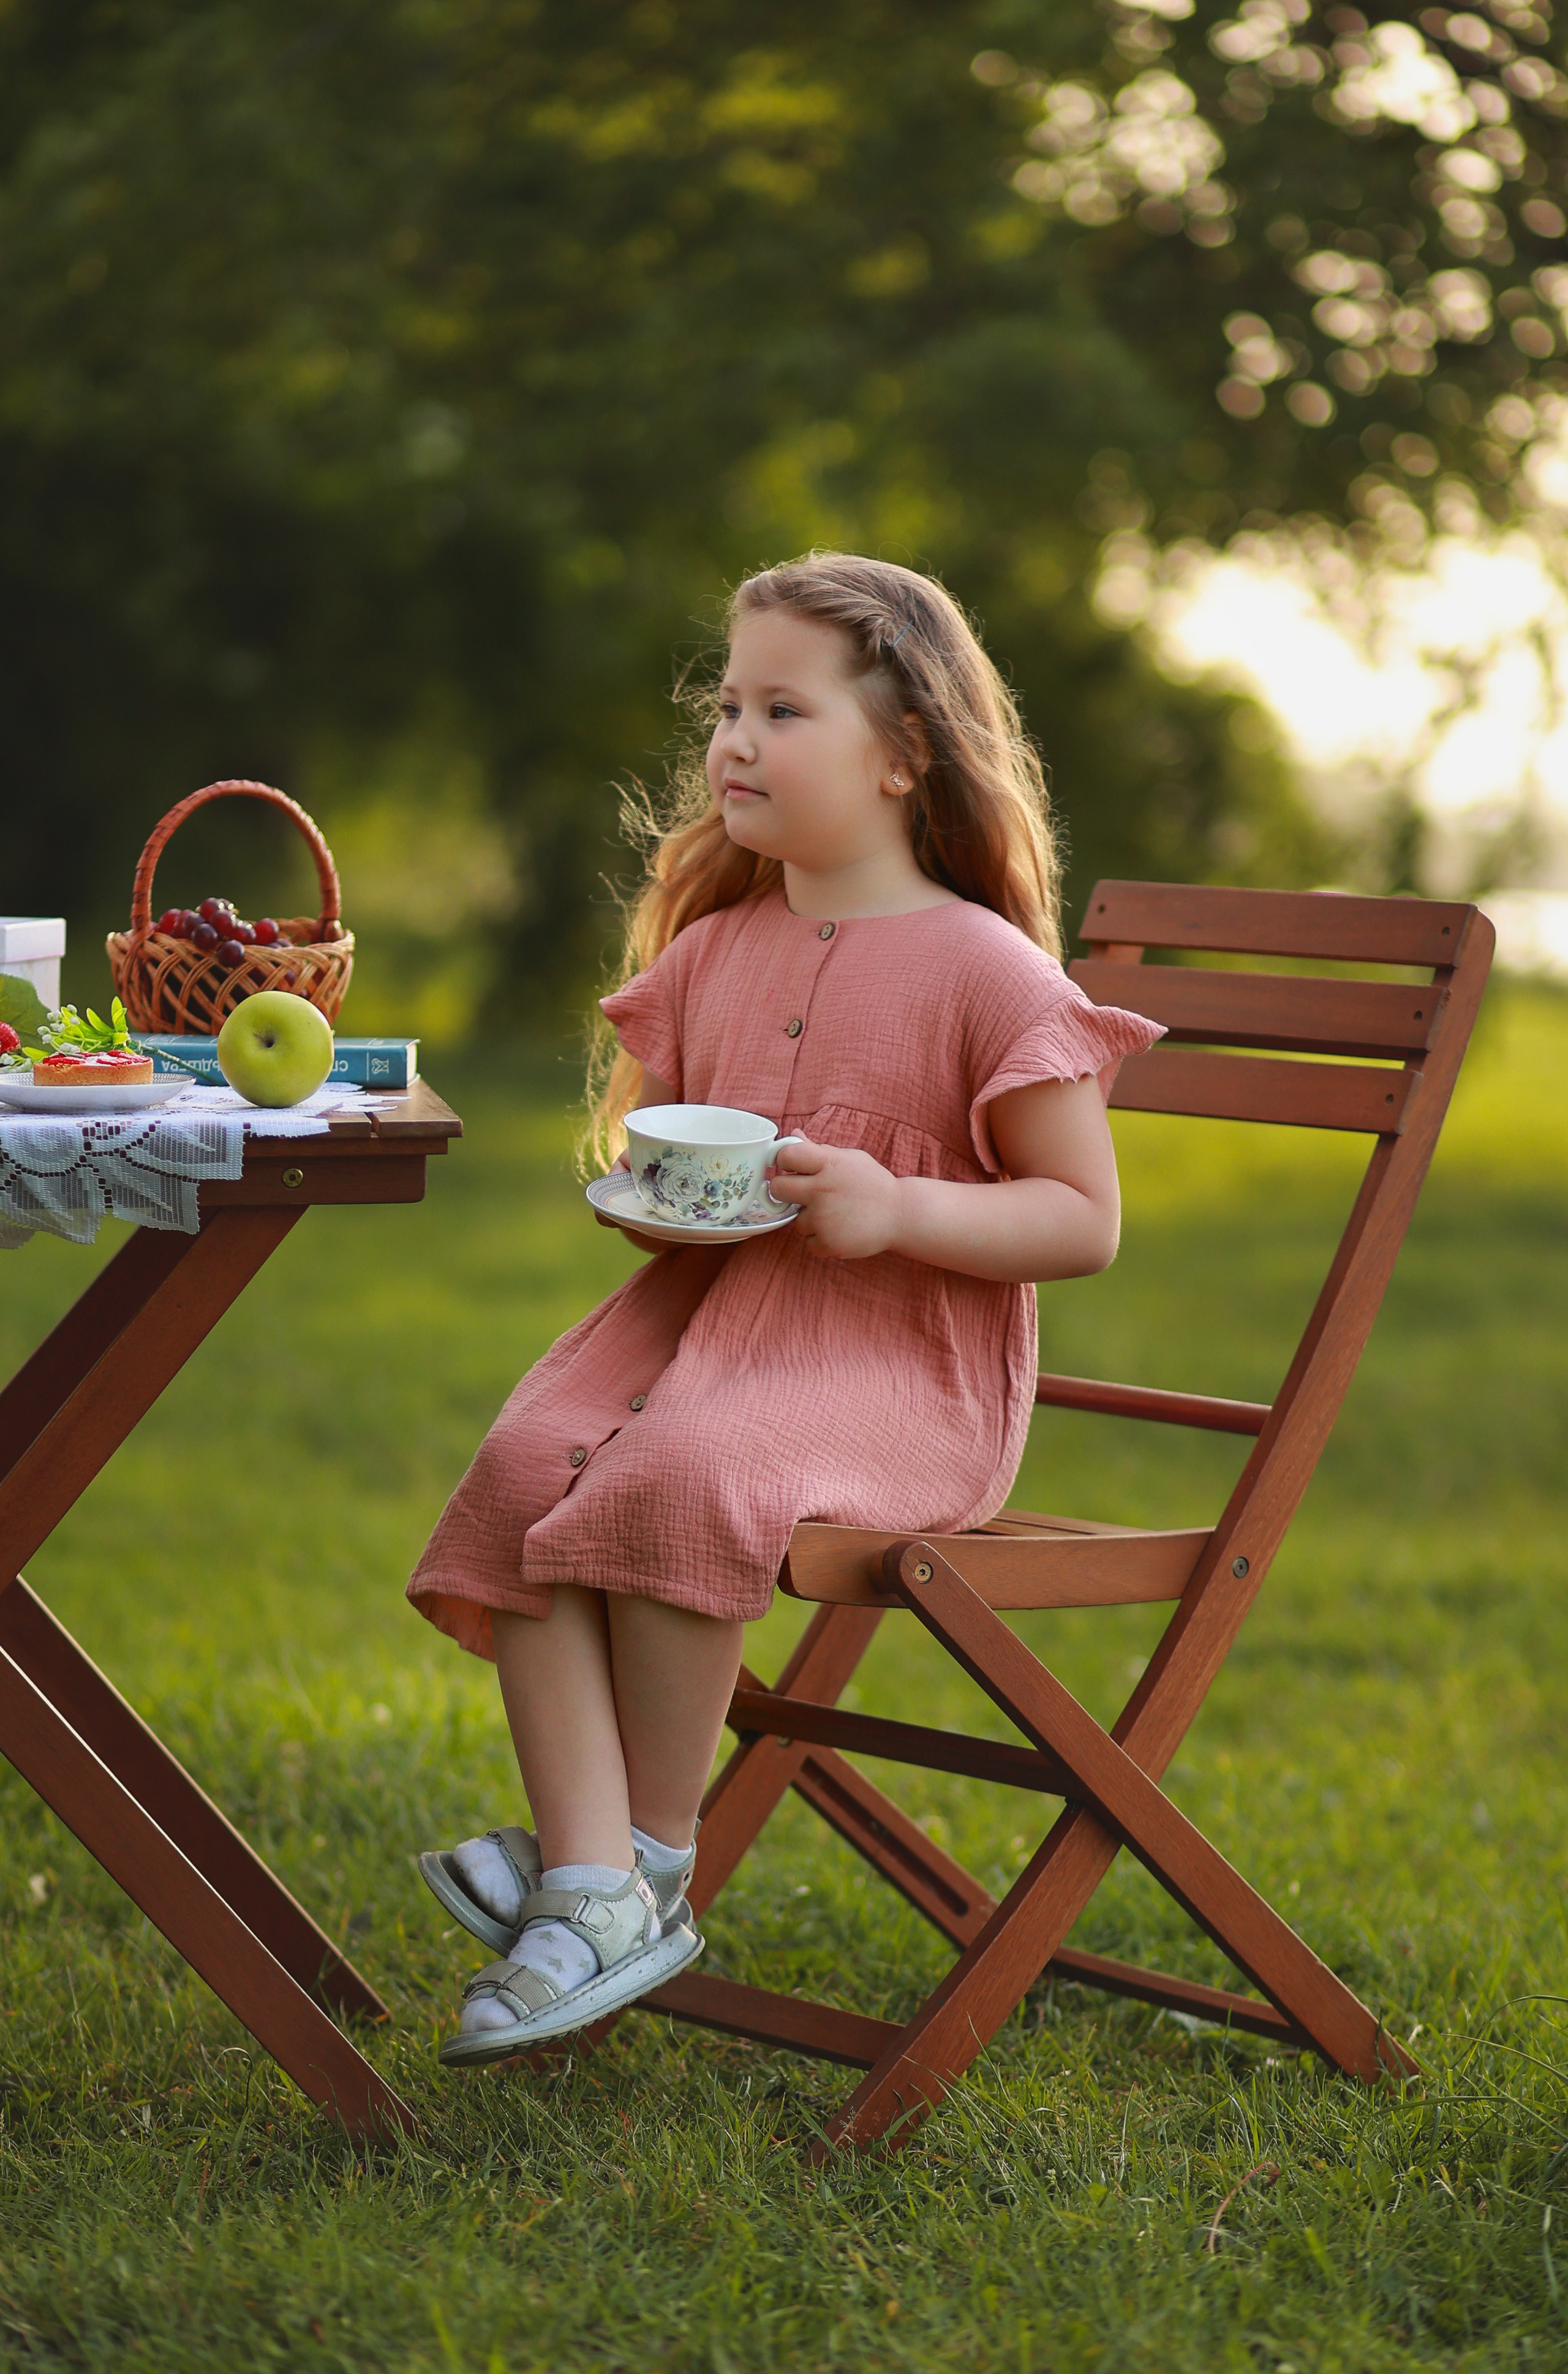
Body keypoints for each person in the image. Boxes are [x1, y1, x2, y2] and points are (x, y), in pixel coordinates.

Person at [409, 552, 1163, 2066]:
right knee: (530, 1459)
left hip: (897, 1379)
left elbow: (1082, 1223)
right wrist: (643, 1192)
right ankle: (587, 1874)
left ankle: (651, 1863)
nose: (735, 740)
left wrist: (898, 1211)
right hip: (701, 1336)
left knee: (686, 1479)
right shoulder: (719, 948)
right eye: (728, 705)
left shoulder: (987, 972)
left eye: (783, 709)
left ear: (901, 759)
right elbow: (688, 1154)